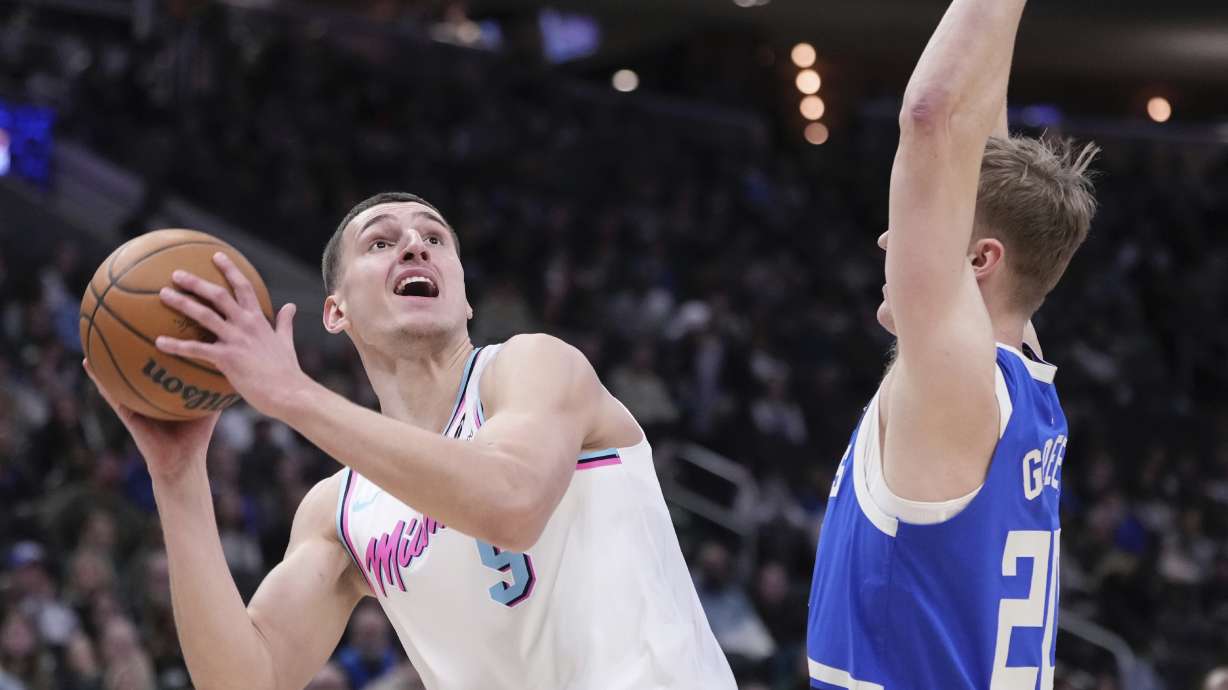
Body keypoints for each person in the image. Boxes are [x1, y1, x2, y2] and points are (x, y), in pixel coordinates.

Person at [84, 191, 735, 689]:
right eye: (382, 242)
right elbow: (247, 679)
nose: (416, 247)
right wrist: (177, 476)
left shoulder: (533, 367)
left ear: (465, 298)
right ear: (334, 310)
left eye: (434, 238)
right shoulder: (340, 512)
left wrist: (295, 395)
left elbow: (509, 502)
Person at [805, 0, 1099, 688]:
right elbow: (974, 122)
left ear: (979, 262)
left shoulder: (957, 381)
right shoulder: (1015, 368)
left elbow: (935, 113)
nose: (890, 241)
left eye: (914, 233)